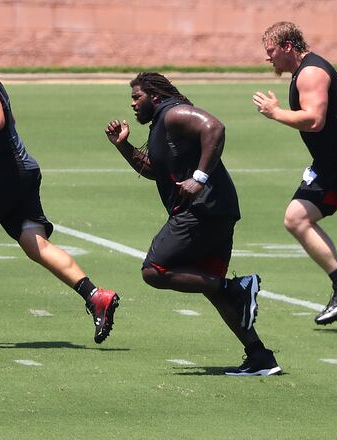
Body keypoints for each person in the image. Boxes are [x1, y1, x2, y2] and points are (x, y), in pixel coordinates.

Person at [0, 32, 119, 348]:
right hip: (21, 171)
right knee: (34, 243)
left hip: (1, 175)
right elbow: (6, 121)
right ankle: (96, 296)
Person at [104, 72, 281, 376]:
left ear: (154, 97)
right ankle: (260, 355)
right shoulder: (163, 123)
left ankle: (236, 288)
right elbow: (153, 171)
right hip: (215, 211)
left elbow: (215, 127)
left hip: (201, 211)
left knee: (154, 270)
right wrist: (124, 146)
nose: (133, 105)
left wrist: (199, 178)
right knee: (209, 284)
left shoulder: (173, 114)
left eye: (137, 97)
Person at [253, 22, 337, 325]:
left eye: (272, 52)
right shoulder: (304, 72)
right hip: (330, 168)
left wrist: (276, 113)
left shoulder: (312, 73)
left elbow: (314, 120)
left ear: (288, 46)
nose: (269, 59)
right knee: (296, 218)